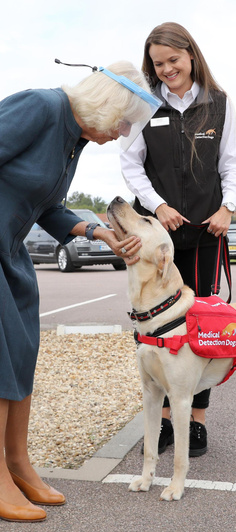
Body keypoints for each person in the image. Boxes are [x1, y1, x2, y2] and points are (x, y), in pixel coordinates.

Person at [0, 61, 154, 523]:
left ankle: (18, 465)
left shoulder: (73, 139)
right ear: (107, 107)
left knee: (23, 350)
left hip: (6, 244)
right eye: (123, 122)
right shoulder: (40, 106)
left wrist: (100, 233)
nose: (122, 133)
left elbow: (49, 207)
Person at [121, 22, 236, 457]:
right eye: (158, 64)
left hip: (206, 232)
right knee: (154, 328)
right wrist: (156, 205)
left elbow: (231, 163)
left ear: (191, 54)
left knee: (198, 329)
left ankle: (198, 421)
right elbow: (131, 165)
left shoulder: (220, 104)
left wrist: (228, 208)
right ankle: (166, 422)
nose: (167, 69)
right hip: (159, 238)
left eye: (173, 60)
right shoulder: (145, 107)